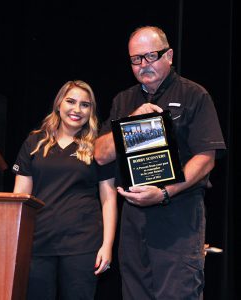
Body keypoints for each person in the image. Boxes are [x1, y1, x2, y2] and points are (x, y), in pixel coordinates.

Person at [94, 26, 226, 299]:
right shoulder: (124, 100)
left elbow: (206, 158)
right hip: (133, 220)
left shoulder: (194, 95)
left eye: (151, 56)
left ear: (169, 55)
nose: (143, 64)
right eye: (136, 59)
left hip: (179, 216)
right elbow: (100, 154)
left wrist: (165, 191)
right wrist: (130, 122)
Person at [12, 80, 117, 300]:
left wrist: (107, 246)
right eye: (71, 101)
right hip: (37, 244)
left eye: (85, 104)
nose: (77, 110)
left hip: (82, 245)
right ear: (59, 103)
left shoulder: (98, 147)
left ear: (91, 111)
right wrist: (14, 244)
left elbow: (108, 198)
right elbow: (19, 198)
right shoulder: (34, 142)